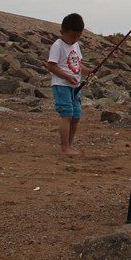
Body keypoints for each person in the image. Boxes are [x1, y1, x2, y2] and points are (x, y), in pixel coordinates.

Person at [45, 13, 90, 156]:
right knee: (67, 115)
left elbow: (78, 63)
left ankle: (70, 145)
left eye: (78, 36)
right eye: (72, 36)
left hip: (75, 86)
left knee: (76, 116)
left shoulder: (76, 45)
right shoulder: (57, 45)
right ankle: (65, 148)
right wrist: (67, 77)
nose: (74, 39)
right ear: (62, 32)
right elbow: (51, 66)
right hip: (61, 85)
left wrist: (89, 71)